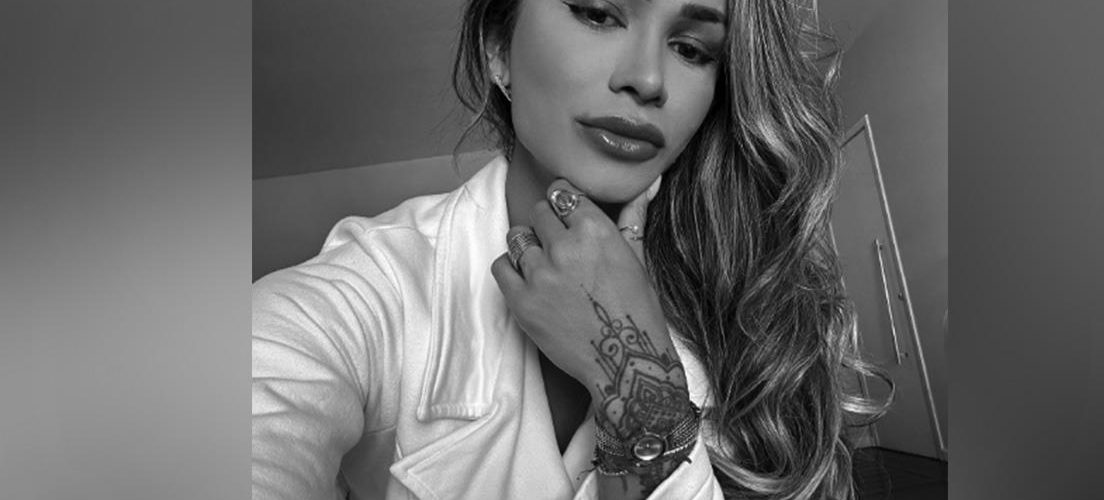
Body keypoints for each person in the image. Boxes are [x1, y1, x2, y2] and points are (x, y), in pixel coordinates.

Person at [252, 0, 885, 499]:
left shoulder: (748, 289)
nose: (646, 79)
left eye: (692, 49)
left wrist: (633, 378)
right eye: (596, 13)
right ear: (498, 50)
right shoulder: (362, 295)